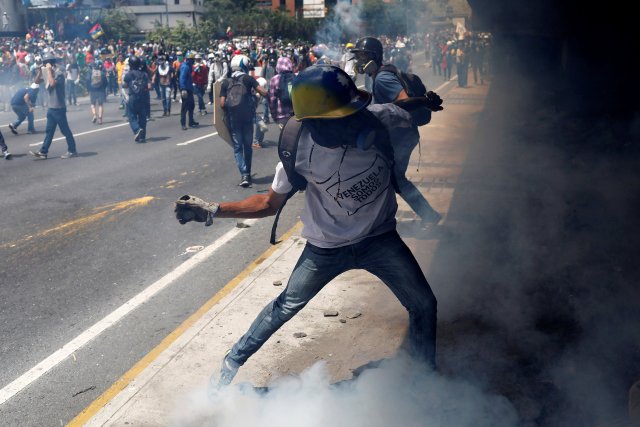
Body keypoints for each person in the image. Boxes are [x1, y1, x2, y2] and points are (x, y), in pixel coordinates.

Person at [174, 65, 438, 391]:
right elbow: (268, 204)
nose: (348, 126)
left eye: (351, 115)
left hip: (380, 239)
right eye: (337, 120)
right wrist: (216, 209)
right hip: (325, 247)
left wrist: (426, 102)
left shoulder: (377, 118)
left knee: (424, 304)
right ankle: (227, 369)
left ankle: (427, 377)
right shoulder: (297, 147)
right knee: (284, 306)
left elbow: (407, 109)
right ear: (311, 122)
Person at [352, 36, 442, 225]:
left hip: (401, 137)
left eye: (362, 56)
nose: (358, 61)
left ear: (373, 57)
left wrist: (425, 102)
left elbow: (402, 100)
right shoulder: (376, 76)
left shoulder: (382, 77)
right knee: (389, 178)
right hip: (398, 136)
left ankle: (427, 215)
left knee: (395, 179)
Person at [219, 54, 267, 187]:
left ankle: (244, 175)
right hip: (247, 118)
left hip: (234, 120)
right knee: (248, 147)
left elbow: (222, 104)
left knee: (237, 148)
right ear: (244, 65)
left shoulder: (226, 82)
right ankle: (248, 173)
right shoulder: (248, 79)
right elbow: (262, 92)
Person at [29, 53, 77, 160]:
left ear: (51, 63)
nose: (45, 64)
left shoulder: (59, 73)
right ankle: (43, 151)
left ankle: (72, 150)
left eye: (47, 63)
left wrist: (49, 71)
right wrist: (41, 71)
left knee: (65, 131)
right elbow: (36, 82)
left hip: (59, 107)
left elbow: (52, 84)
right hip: (51, 107)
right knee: (49, 131)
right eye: (44, 63)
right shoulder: (47, 72)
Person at [122, 55, 150, 143]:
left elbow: (125, 85)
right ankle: (142, 137)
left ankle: (137, 129)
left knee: (131, 115)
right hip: (143, 97)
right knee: (142, 117)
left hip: (133, 97)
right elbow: (148, 86)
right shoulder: (144, 74)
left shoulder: (128, 74)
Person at [268, 56, 295, 129]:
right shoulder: (296, 77)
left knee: (285, 138)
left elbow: (272, 99)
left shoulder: (274, 79)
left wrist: (274, 115)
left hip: (281, 115)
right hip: (295, 114)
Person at [179, 52, 198, 130]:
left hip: (189, 89)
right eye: (192, 59)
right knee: (184, 107)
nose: (193, 61)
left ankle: (191, 121)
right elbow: (182, 78)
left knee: (191, 106)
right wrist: (183, 88)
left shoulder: (189, 67)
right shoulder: (185, 67)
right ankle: (183, 124)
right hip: (185, 89)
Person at [86, 60, 107, 124]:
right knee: (100, 105)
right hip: (100, 90)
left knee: (93, 104)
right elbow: (106, 82)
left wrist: (88, 89)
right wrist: (103, 88)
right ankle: (100, 119)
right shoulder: (102, 73)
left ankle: (95, 115)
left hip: (93, 90)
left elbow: (87, 81)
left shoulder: (90, 73)